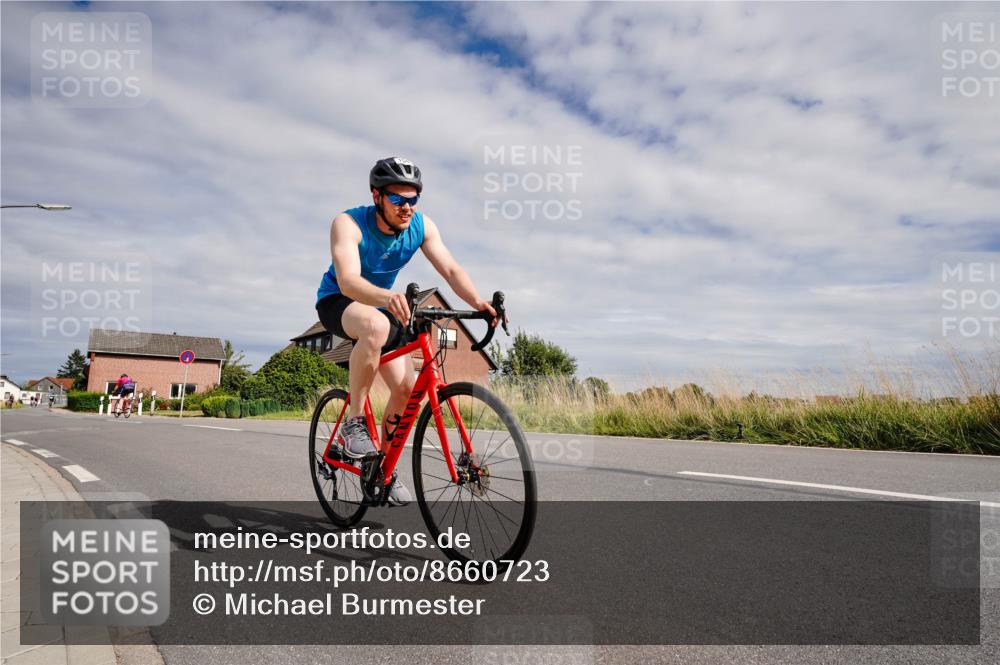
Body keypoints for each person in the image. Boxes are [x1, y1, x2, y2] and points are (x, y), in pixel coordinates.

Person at [316, 157, 500, 506]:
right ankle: (354, 422)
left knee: (406, 388)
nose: (407, 207)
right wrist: (388, 297)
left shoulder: (421, 226)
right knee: (374, 324)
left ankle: (381, 470)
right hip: (339, 300)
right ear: (377, 196)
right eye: (398, 199)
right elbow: (349, 280)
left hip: (384, 307)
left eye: (413, 199)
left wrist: (478, 301)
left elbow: (450, 268)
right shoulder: (348, 223)